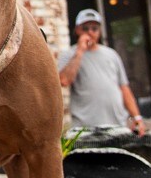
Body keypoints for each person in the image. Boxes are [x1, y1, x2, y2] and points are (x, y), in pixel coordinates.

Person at [57, 8, 146, 136]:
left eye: (94, 28)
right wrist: (80, 52)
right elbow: (64, 80)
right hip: (86, 130)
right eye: (85, 28)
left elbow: (124, 88)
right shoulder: (69, 54)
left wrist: (137, 118)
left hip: (116, 126)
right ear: (77, 30)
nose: (90, 32)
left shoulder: (111, 54)